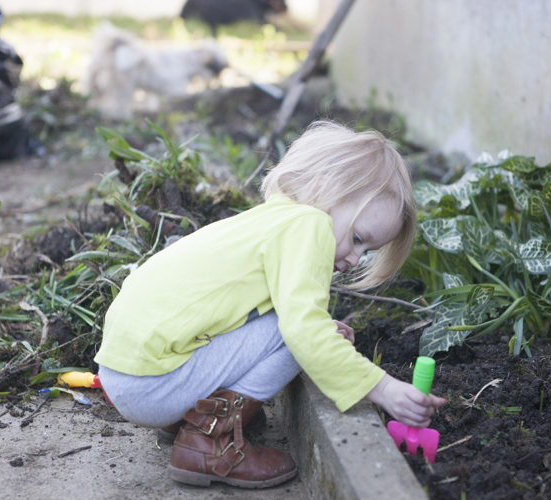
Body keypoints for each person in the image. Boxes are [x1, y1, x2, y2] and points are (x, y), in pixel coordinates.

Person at [95, 121, 446, 489]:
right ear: (324, 188)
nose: (357, 259)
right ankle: (210, 440)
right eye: (358, 239)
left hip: (124, 370)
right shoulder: (311, 225)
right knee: (297, 334)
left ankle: (194, 417)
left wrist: (316, 329)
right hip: (151, 384)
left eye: (367, 250)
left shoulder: (274, 218)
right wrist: (382, 388)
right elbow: (300, 329)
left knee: (301, 328)